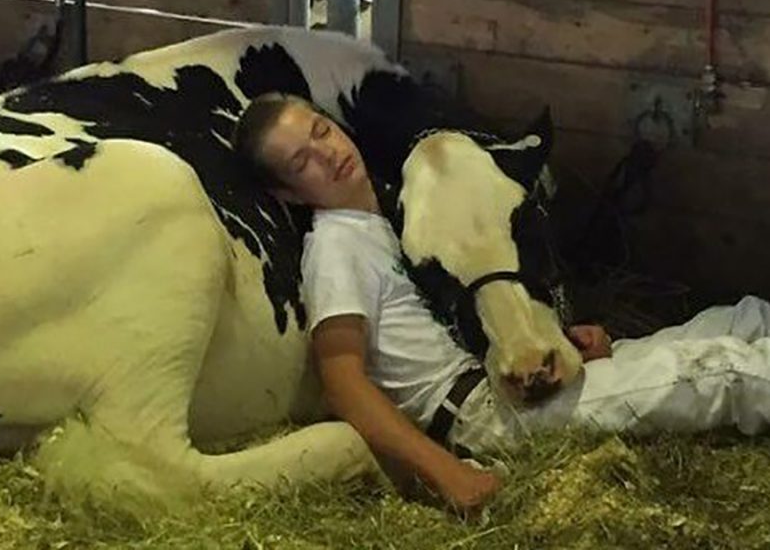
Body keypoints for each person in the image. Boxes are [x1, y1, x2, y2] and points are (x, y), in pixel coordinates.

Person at [231, 93, 770, 516]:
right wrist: (447, 473)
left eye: (321, 131)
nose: (326, 153)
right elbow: (342, 381)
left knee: (739, 318)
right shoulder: (335, 248)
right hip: (481, 418)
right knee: (721, 372)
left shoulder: (395, 210)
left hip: (504, 377)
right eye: (301, 161)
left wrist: (560, 339)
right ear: (290, 195)